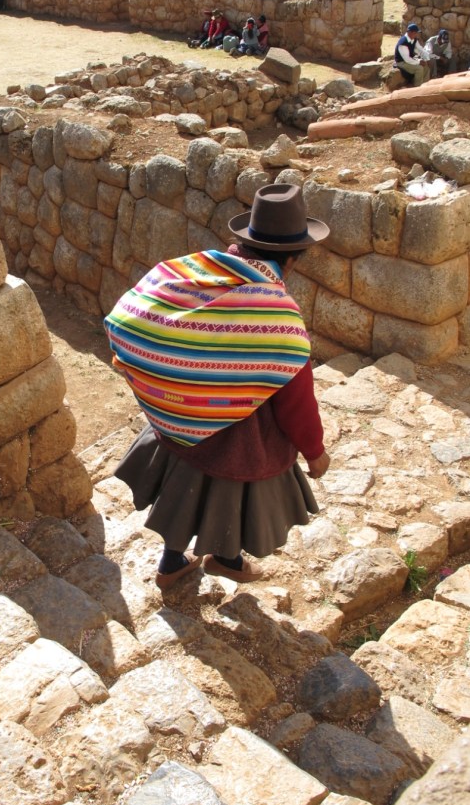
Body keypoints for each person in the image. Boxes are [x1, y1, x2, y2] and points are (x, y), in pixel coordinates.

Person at [105, 183, 331, 590]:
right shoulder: (279, 318)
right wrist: (314, 453)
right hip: (238, 439)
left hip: (180, 418)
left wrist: (154, 373)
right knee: (229, 500)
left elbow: (132, 313)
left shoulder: (196, 272)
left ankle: (173, 562)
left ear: (242, 242)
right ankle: (226, 558)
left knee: (183, 495)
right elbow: (295, 405)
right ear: (294, 260)